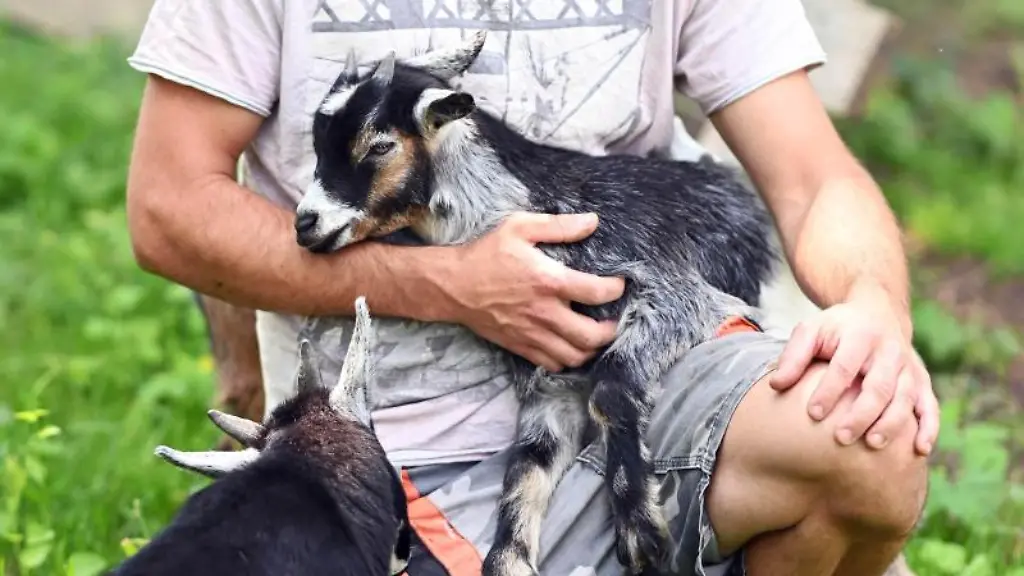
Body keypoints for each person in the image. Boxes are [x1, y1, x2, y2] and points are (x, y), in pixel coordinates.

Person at [124, 0, 937, 574]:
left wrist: (875, 304)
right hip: (386, 461)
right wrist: (446, 283)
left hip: (640, 388)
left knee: (871, 447)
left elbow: (814, 178)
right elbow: (168, 205)